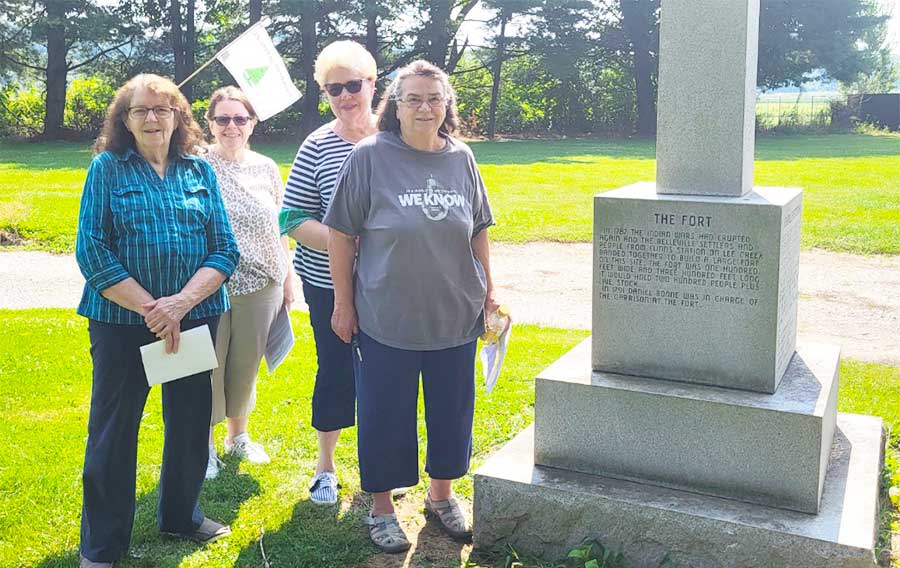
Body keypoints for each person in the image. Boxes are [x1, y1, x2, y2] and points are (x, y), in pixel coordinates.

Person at [323, 60, 503, 553]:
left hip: (455, 313)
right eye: (414, 99)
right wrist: (343, 303)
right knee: (384, 412)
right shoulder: (369, 156)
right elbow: (341, 234)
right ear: (395, 107)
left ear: (447, 106)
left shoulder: (461, 157)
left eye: (434, 99)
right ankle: (381, 507)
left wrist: (489, 292)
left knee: (453, 411)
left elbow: (479, 229)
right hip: (386, 316)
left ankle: (441, 496)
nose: (425, 107)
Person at [74, 73, 239, 568]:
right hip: (122, 323)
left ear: (178, 117)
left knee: (189, 422)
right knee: (114, 430)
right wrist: (155, 308)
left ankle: (180, 516)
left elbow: (225, 249)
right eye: (141, 110)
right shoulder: (107, 169)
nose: (152, 118)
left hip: (192, 318)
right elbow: (93, 251)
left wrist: (179, 306)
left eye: (162, 109)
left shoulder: (199, 171)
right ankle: (102, 545)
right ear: (124, 120)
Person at [282, 40, 378, 505]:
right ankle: (326, 467)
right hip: (326, 283)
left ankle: (381, 469)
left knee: (388, 376)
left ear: (372, 83)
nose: (344, 96)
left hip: (390, 287)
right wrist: (343, 242)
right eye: (333, 88)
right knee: (336, 370)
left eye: (352, 85)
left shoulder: (398, 141)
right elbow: (291, 218)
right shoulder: (316, 145)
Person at [202, 86, 292, 479]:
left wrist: (288, 277)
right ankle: (202, 447)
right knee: (208, 367)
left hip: (263, 285)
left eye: (240, 118)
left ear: (253, 123)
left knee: (245, 366)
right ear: (210, 123)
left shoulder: (267, 167)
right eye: (223, 119)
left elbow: (281, 225)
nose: (232, 126)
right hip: (210, 286)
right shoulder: (196, 165)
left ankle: (238, 438)